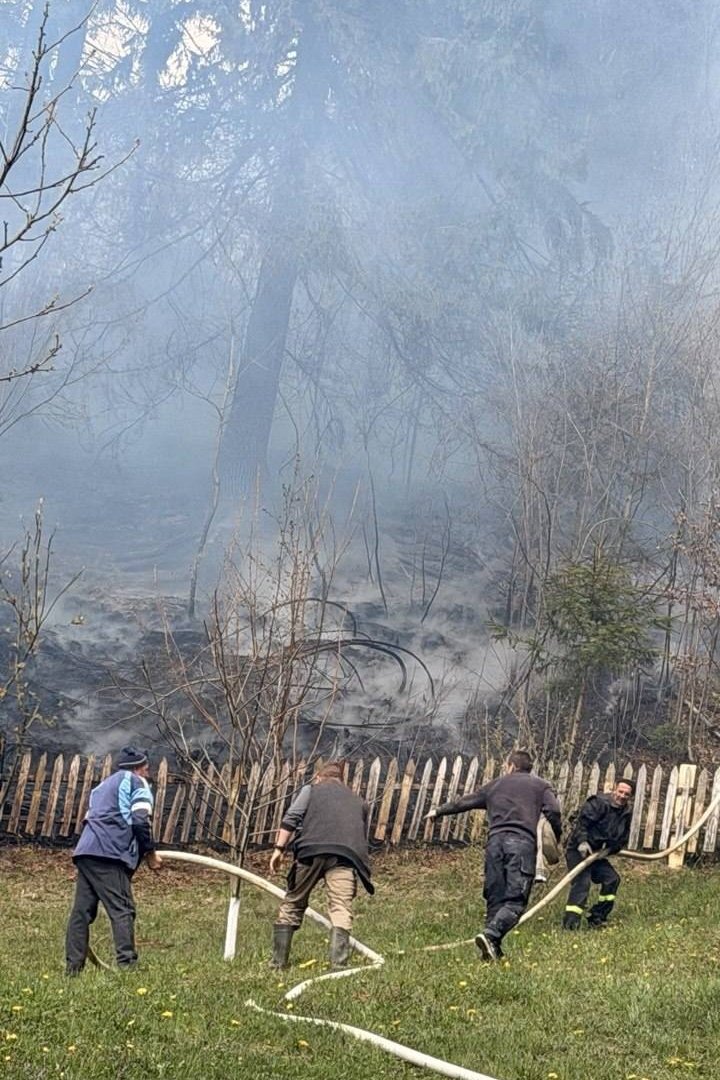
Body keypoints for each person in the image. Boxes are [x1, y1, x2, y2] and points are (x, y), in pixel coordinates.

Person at [425, 749, 561, 962]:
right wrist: (554, 839)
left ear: (511, 766)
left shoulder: (495, 785)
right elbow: (554, 810)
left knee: (495, 898)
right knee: (515, 901)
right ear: (528, 768)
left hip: (495, 844)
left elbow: (464, 802)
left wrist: (439, 811)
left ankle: (490, 953)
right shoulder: (540, 786)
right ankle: (491, 935)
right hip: (521, 844)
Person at [65, 746, 162, 974]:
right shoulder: (138, 783)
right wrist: (150, 853)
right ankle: (128, 965)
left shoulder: (100, 788)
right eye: (146, 770)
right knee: (123, 909)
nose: (148, 774)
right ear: (139, 769)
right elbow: (140, 821)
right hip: (109, 853)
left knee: (81, 912)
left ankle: (72, 969)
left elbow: (92, 819)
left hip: (86, 851)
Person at [269, 760, 374, 970]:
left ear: (319, 777)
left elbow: (291, 818)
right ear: (341, 781)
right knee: (341, 907)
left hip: (311, 852)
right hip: (345, 857)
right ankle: (339, 965)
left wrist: (279, 849)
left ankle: (278, 964)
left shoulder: (311, 790)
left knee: (293, 902)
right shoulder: (358, 801)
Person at [562, 778, 634, 930]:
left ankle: (597, 917)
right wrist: (582, 842)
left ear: (630, 796)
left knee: (612, 879)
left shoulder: (626, 813)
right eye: (620, 792)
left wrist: (609, 850)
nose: (622, 796)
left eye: (626, 794)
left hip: (596, 854)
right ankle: (570, 925)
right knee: (582, 884)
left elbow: (622, 838)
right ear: (614, 789)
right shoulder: (598, 803)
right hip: (578, 850)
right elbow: (580, 823)